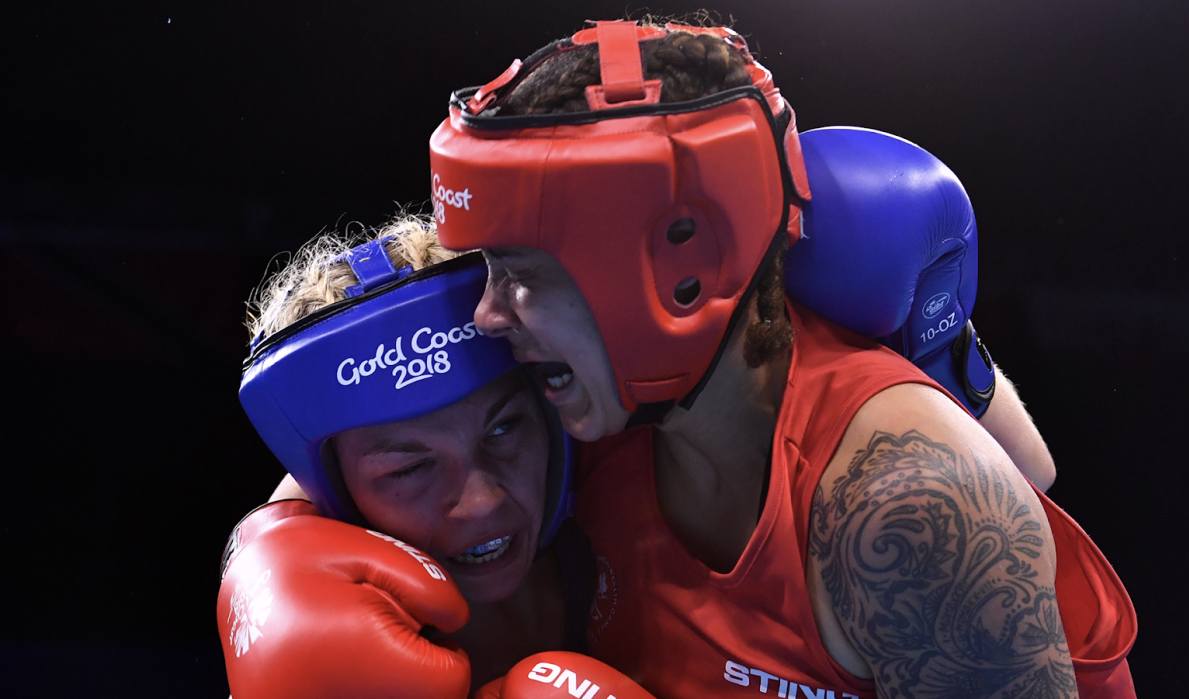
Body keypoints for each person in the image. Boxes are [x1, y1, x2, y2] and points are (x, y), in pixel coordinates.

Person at [430, 19, 1134, 699]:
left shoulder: (905, 505)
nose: (488, 313)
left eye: (521, 274)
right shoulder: (584, 411)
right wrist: (313, 520)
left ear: (676, 265)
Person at [218, 215, 633, 697]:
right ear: (337, 488)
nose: (482, 501)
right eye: (410, 469)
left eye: (504, 429)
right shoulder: (321, 658)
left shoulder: (644, 481)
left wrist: (259, 550)